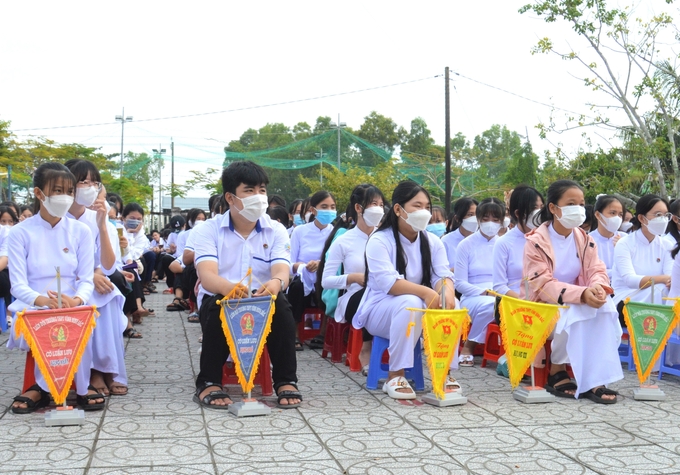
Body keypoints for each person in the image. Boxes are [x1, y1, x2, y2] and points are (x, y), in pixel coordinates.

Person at [192, 160, 301, 409]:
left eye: (262, 190)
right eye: (249, 191)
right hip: (222, 296)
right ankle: (208, 381)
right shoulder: (209, 230)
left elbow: (282, 270)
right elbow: (207, 275)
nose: (259, 197)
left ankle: (286, 380)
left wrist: (276, 283)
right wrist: (229, 288)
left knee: (281, 305)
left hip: (262, 299)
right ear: (231, 197)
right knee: (219, 306)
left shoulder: (276, 230)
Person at [7, 162, 105, 413]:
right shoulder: (20, 232)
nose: (66, 196)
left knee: (77, 317)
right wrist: (42, 301)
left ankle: (81, 386)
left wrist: (76, 300)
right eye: (58, 190)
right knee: (46, 318)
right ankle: (40, 387)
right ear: (40, 193)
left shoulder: (80, 230)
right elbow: (17, 284)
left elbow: (86, 279)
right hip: (34, 302)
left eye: (70, 191)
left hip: (72, 299)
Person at [353, 181, 457, 400]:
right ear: (398, 209)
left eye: (427, 207)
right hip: (380, 311)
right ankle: (395, 375)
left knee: (454, 304)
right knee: (410, 301)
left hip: (416, 308)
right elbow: (389, 284)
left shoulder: (433, 241)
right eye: (416, 206)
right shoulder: (379, 240)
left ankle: (444, 372)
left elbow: (442, 275)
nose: (424, 212)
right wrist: (428, 293)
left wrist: (446, 293)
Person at [523, 179, 622, 404]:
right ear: (553, 208)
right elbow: (543, 284)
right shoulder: (535, 242)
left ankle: (595, 377)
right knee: (575, 311)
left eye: (581, 203)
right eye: (571, 203)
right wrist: (581, 294)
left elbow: (597, 270)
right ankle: (557, 370)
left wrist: (597, 287)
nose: (578, 209)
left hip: (579, 297)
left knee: (605, 307)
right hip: (543, 303)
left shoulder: (585, 239)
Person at [64, 159, 128, 396]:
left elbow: (109, 265)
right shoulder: (58, 219)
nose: (89, 187)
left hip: (93, 280)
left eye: (94, 182)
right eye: (83, 181)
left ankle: (106, 368)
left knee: (107, 293)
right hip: (66, 283)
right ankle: (91, 371)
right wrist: (91, 276)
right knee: (90, 295)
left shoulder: (101, 219)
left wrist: (102, 225)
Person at [320, 184, 386, 372]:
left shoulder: (385, 238)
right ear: (358, 208)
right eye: (374, 204)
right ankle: (366, 349)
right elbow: (326, 281)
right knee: (369, 297)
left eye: (381, 205)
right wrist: (353, 277)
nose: (379, 209)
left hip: (384, 293)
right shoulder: (344, 240)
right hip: (354, 297)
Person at [455, 197, 505, 366]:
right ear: (478, 220)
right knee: (491, 305)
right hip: (472, 297)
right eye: (485, 219)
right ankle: (469, 346)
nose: (490, 223)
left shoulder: (504, 245)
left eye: (495, 219)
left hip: (502, 293)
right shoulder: (465, 245)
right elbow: (459, 283)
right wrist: (485, 292)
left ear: (502, 221)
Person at [288, 191, 337, 350]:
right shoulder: (299, 231)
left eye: (332, 207)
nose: (329, 210)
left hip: (325, 275)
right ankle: (294, 334)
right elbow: (289, 263)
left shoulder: (335, 233)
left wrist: (321, 263)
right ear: (314, 210)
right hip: (303, 275)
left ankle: (323, 333)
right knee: (297, 287)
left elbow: (339, 261)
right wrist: (303, 266)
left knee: (330, 287)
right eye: (324, 207)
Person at [612, 195, 672, 322]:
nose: (663, 219)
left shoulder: (667, 245)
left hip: (658, 295)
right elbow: (630, 280)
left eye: (666, 215)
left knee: (666, 290)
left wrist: (668, 280)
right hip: (627, 299)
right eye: (657, 215)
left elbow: (670, 276)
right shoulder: (625, 243)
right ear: (641, 218)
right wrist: (663, 279)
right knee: (662, 290)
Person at [493, 185, 544, 300]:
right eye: (533, 208)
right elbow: (499, 286)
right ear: (518, 213)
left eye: (541, 207)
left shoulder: (547, 239)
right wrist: (526, 301)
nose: (539, 212)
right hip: (517, 304)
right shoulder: (504, 243)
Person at [590, 195, 625, 281]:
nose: (617, 218)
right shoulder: (588, 240)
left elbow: (634, 269)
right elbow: (591, 270)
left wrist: (623, 249)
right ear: (598, 215)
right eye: (613, 213)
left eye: (620, 214)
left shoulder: (625, 238)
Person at [441, 198, 478, 272]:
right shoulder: (446, 241)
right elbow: (441, 272)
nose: (475, 219)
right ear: (457, 218)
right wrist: (459, 269)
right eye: (470, 215)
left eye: (477, 215)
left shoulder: (485, 239)